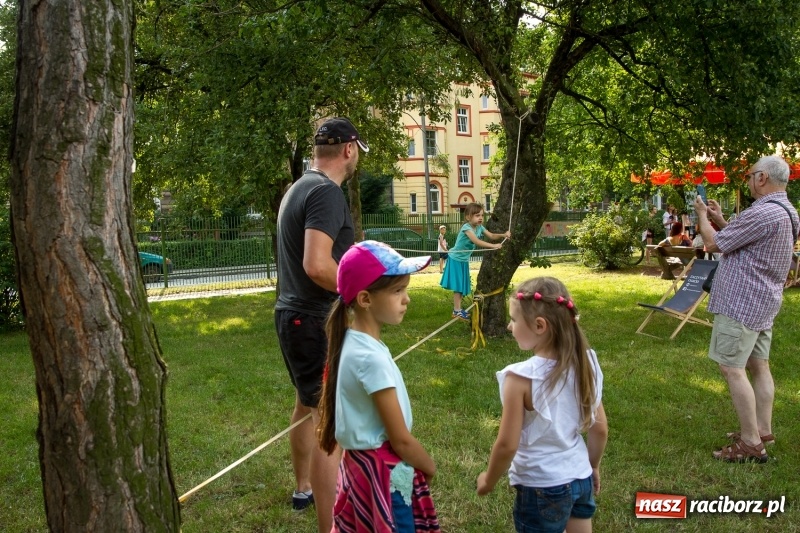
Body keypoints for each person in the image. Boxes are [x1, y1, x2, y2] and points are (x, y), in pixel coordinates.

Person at [274, 117, 368, 531]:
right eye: (359, 150)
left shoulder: (298, 187)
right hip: (312, 319)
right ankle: (331, 524)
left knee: (306, 406)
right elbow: (316, 265)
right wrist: (364, 289)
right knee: (328, 422)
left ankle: (303, 488)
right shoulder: (326, 193)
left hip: (293, 316)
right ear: (349, 149)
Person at [318, 241, 440, 532]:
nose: (406, 299)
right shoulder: (370, 358)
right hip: (385, 477)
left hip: (360, 469)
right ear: (365, 299)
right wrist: (429, 466)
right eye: (398, 291)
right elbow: (401, 440)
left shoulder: (352, 342)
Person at [476, 277, 608, 533]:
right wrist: (592, 466)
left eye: (513, 320)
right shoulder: (586, 363)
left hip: (542, 485)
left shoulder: (520, 378)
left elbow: (507, 444)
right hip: (580, 478)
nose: (508, 326)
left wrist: (489, 480)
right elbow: (599, 429)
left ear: (539, 325)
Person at [694, 155, 799, 463]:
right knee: (759, 367)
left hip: (742, 303)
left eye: (752, 175)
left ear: (762, 178)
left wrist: (702, 215)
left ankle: (751, 443)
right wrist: (721, 219)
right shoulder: (786, 211)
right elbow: (741, 238)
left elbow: (713, 245)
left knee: (731, 368)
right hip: (764, 302)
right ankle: (762, 429)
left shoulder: (763, 211)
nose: (749, 180)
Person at [440, 202, 510, 321]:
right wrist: (493, 247)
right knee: (458, 286)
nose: (480, 218)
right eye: (477, 215)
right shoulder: (466, 228)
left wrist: (504, 235)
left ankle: (458, 309)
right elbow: (477, 241)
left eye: (482, 215)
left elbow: (492, 235)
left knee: (462, 286)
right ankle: (456, 310)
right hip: (456, 258)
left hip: (463, 260)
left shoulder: (479, 227)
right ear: (468, 217)